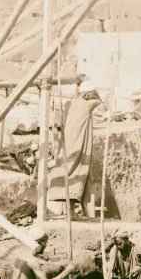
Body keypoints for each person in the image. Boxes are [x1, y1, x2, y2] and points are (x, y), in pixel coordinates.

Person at [47, 77, 102, 216]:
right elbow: (99, 101)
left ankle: (71, 211)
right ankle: (77, 211)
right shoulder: (88, 104)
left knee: (68, 169)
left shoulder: (69, 104)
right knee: (78, 171)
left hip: (67, 143)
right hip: (78, 143)